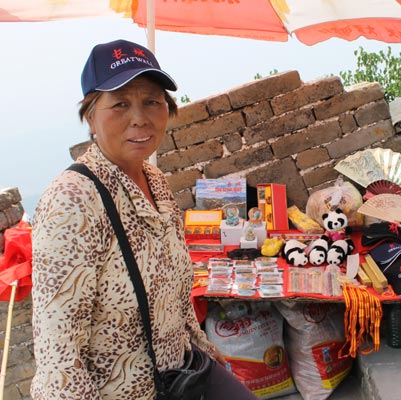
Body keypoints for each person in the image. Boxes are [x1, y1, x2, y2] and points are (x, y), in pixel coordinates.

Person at [30, 39, 258, 400]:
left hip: (181, 372)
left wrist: (206, 353)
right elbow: (58, 355)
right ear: (90, 116)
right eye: (120, 104)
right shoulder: (73, 200)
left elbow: (175, 295)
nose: (140, 117)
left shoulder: (155, 182)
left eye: (152, 101)